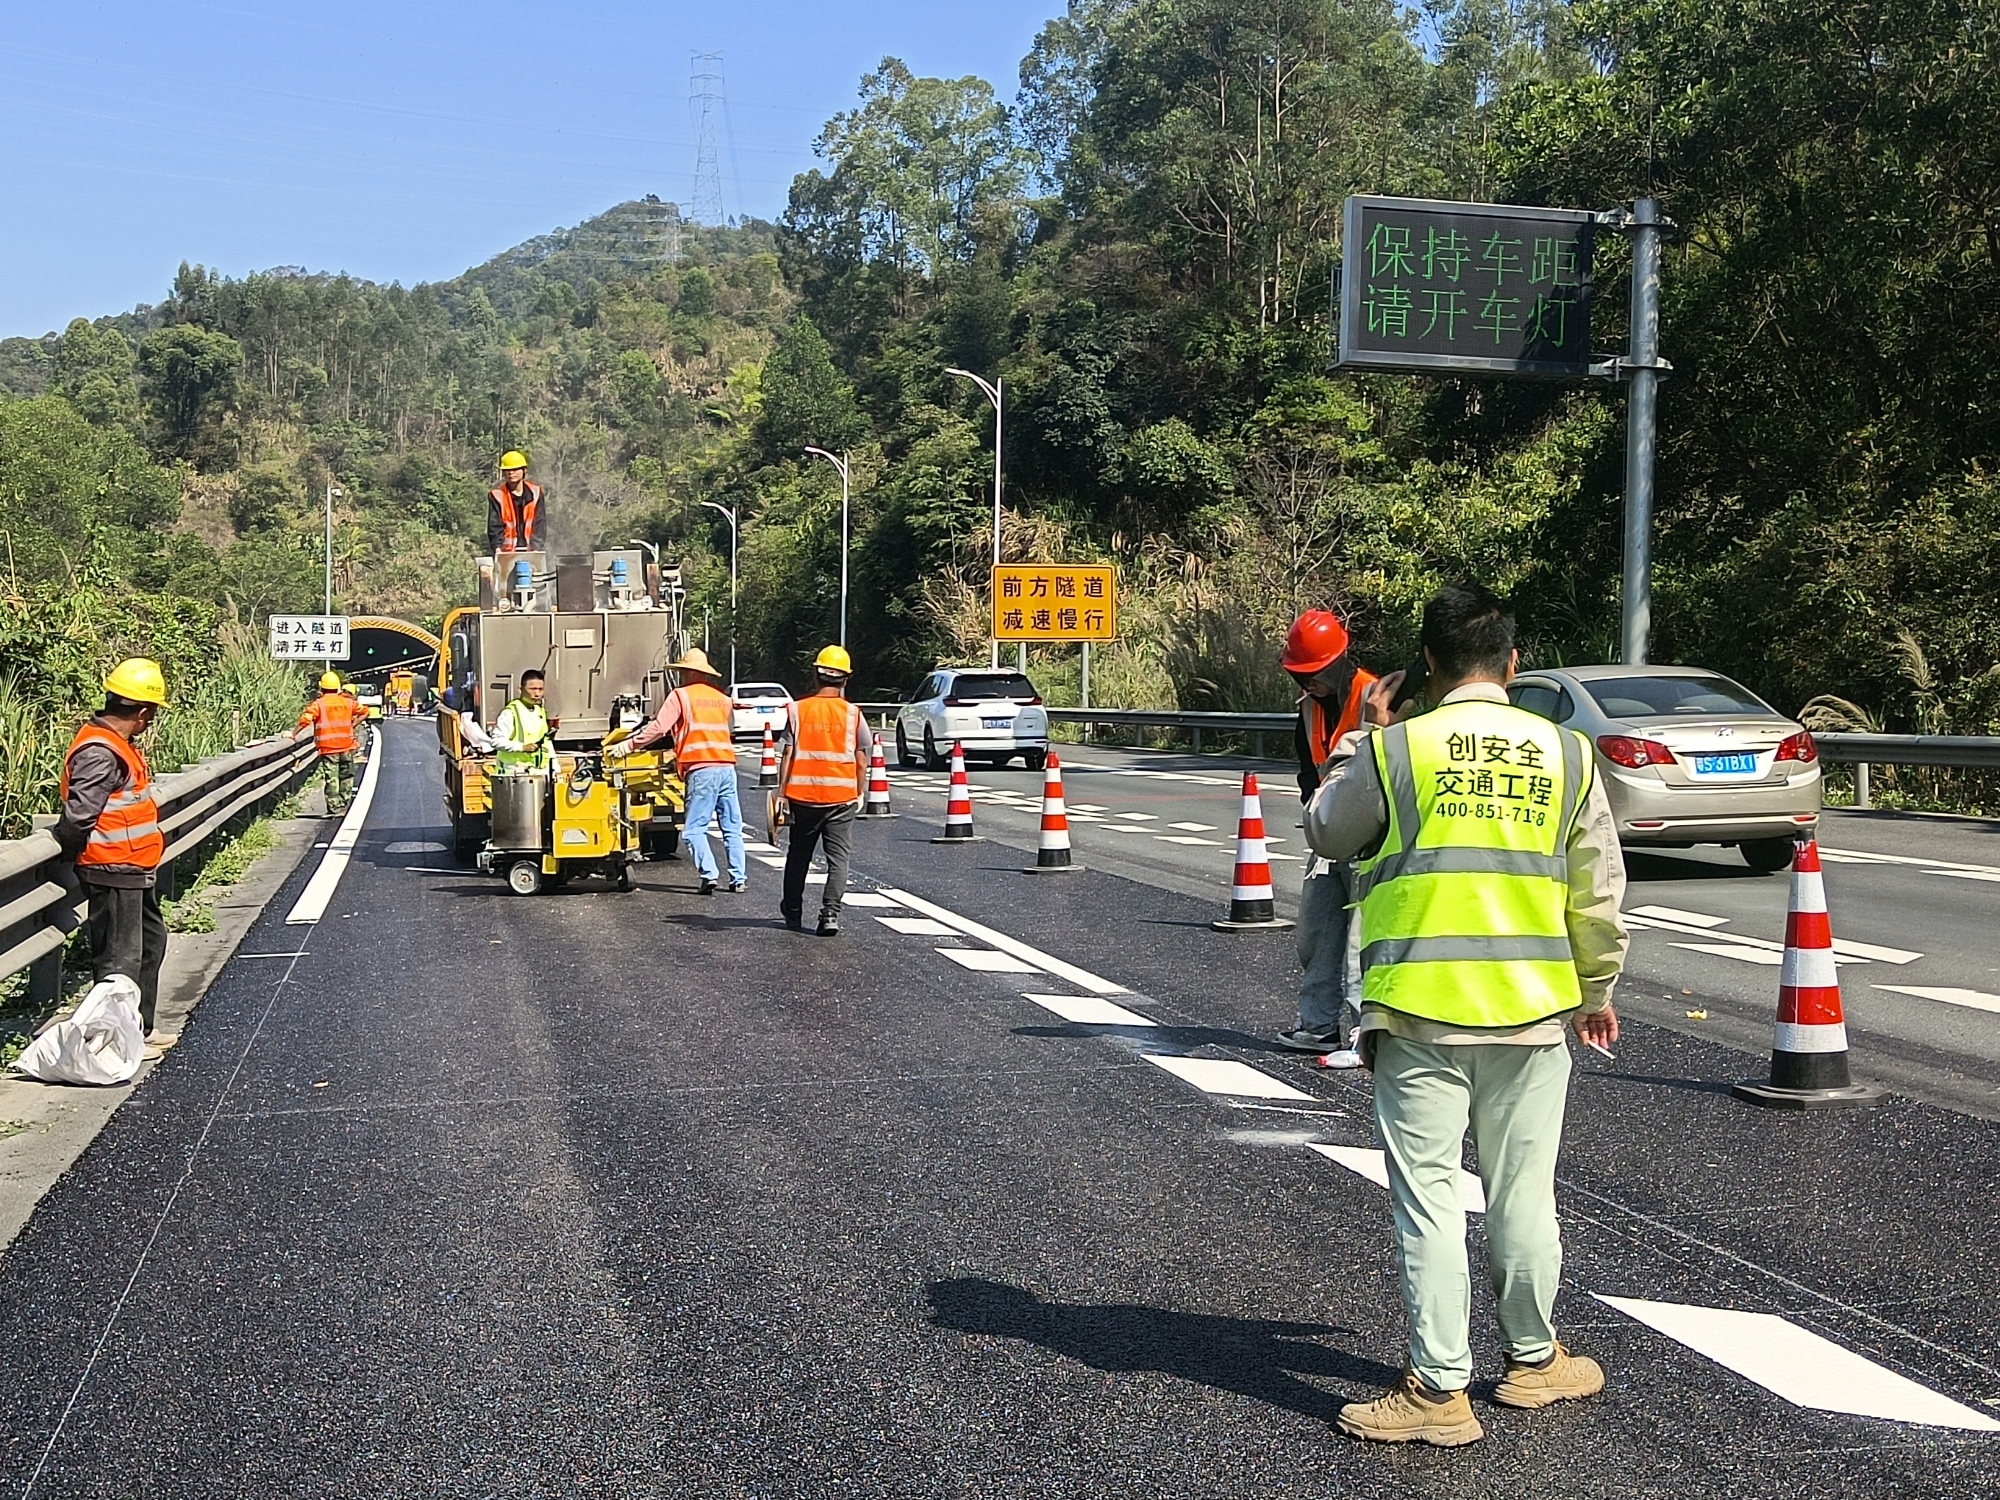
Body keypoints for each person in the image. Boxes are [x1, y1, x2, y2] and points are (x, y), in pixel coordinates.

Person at [1303, 583, 1627, 1448]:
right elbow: (1597, 890)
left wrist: (1362, 735)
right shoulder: (1567, 754)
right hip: (1533, 1011)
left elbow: (1328, 835)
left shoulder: (1397, 747)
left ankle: (1439, 1392)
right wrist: (1597, 990)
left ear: (1430, 667)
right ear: (1513, 663)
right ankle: (1534, 1362)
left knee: (1432, 1202)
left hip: (1419, 1009)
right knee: (1526, 1192)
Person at [1273, 609, 1379, 1066]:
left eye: (1312, 674)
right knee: (1316, 932)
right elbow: (1306, 773)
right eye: (1299, 675)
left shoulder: (1377, 699)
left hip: (1372, 838)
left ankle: (1362, 1033)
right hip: (1328, 834)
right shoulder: (1307, 709)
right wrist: (1318, 818)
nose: (1306, 683)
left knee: (1360, 941)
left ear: (1339, 660)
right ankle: (1317, 1026)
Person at [55, 659, 175, 1056]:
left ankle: (137, 1028)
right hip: (111, 867)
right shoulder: (101, 752)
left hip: (131, 866)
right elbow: (78, 817)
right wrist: (75, 857)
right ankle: (114, 1044)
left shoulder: (117, 745)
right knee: (119, 961)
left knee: (150, 943)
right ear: (143, 712)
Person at [617, 647, 745, 895]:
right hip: (727, 768)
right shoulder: (722, 698)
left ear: (686, 672)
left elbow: (659, 728)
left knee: (694, 829)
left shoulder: (680, 696)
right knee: (731, 826)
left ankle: (709, 875)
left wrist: (629, 744)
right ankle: (738, 878)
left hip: (701, 768)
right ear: (705, 674)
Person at [778, 646, 868, 935]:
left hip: (803, 798)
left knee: (798, 856)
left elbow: (788, 754)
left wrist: (781, 794)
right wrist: (859, 792)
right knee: (838, 859)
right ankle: (830, 914)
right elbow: (861, 760)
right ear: (845, 680)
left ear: (816, 676)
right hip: (841, 799)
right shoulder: (853, 714)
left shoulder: (798, 710)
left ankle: (793, 911)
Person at [295, 670, 362, 812]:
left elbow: (305, 720)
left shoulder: (318, 704)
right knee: (347, 775)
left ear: (321, 688)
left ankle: (334, 806)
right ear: (338, 687)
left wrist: (293, 734)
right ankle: (344, 803)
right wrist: (354, 724)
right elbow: (364, 711)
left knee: (332, 778)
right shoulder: (348, 702)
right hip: (347, 745)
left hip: (328, 748)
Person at [491, 670, 556, 774]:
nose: (537, 694)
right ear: (521, 689)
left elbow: (546, 742)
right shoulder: (511, 712)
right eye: (533, 689)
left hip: (537, 772)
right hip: (514, 773)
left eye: (540, 689)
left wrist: (555, 767)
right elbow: (496, 741)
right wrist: (522, 747)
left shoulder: (540, 711)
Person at [486, 450, 545, 554]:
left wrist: (536, 548)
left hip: (530, 550)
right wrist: (497, 548)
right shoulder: (497, 495)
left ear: (524, 470)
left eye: (515, 469)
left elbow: (539, 523)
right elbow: (494, 526)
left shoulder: (536, 493)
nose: (511, 472)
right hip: (506, 552)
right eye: (507, 470)